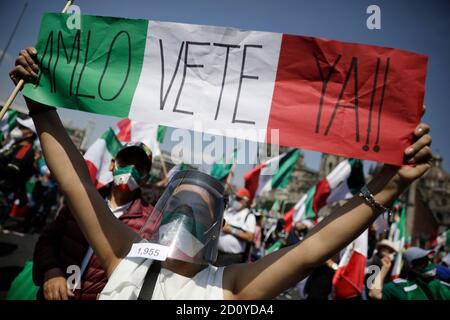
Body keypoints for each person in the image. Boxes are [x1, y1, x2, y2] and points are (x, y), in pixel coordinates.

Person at [11, 47, 434, 300]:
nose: (185, 217)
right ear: (162, 209)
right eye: (180, 205)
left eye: (199, 212)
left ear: (215, 225)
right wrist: (41, 104)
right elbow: (77, 183)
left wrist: (391, 183)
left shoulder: (226, 288)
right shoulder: (124, 255)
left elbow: (310, 250)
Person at [32, 141, 154, 300]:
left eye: (138, 168)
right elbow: (48, 239)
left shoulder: (151, 222)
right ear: (112, 164)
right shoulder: (82, 200)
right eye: (125, 162)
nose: (131, 170)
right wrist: (50, 270)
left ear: (146, 178)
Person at [370, 247, 450, 300]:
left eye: (430, 259)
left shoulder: (442, 285)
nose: (428, 263)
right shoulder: (401, 287)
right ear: (412, 266)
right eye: (423, 261)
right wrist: (383, 270)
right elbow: (374, 294)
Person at [0, 117, 37, 226]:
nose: (17, 128)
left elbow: (12, 171)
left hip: (3, 192)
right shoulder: (16, 145)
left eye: (22, 127)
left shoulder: (25, 148)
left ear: (30, 134)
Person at [216, 188, 256, 266]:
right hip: (217, 253)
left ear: (246, 201)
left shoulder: (249, 216)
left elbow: (250, 237)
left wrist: (231, 230)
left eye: (239, 198)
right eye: (235, 197)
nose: (236, 200)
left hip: (232, 258)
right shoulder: (229, 211)